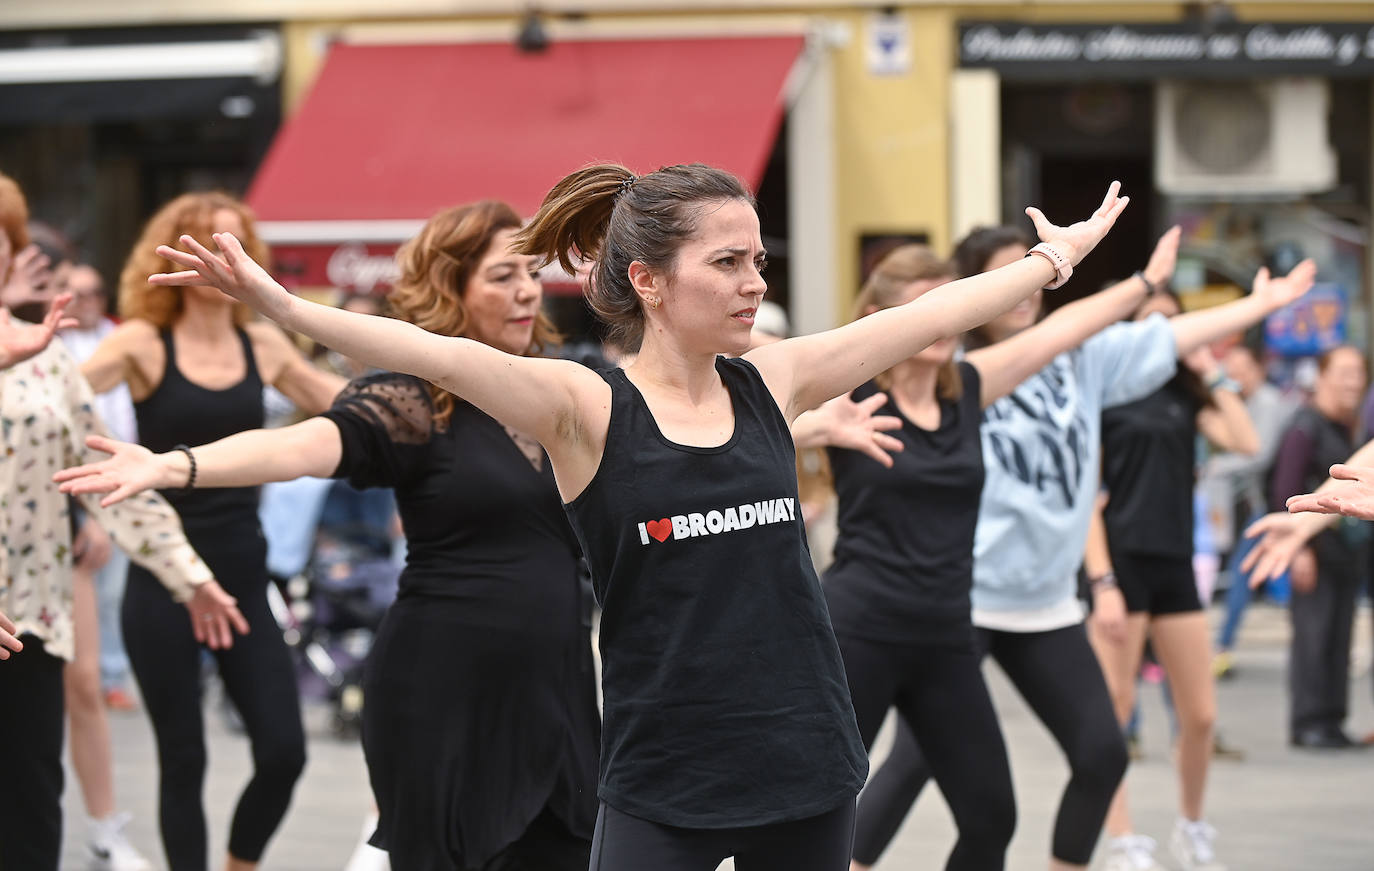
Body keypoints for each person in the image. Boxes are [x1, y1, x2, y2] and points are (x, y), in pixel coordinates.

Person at [125, 164, 1132, 870]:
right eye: (728, 263)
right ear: (648, 281)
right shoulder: (582, 406)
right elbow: (433, 356)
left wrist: (1054, 264)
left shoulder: (769, 378)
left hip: (807, 751)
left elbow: (924, 317)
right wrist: (287, 310)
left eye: (757, 259)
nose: (755, 283)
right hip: (663, 769)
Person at [846, 228, 1315, 871]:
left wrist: (1254, 304)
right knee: (912, 766)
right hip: (963, 598)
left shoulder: (1045, 365)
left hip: (1043, 600)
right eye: (1011, 277)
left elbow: (1156, 337)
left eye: (1037, 277)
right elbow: (783, 375)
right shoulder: (948, 372)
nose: (1028, 291)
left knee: (1097, 755)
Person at [825, 228, 1184, 871]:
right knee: (819, 812)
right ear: (879, 321)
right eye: (926, 310)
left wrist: (1143, 284)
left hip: (945, 634)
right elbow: (751, 390)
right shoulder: (848, 393)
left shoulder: (968, 389)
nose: (945, 324)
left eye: (953, 308)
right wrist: (811, 427)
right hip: (862, 628)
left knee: (992, 817)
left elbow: (1060, 332)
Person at [75, 191, 343, 871]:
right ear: (176, 254)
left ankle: (238, 864)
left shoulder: (263, 340)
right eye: (214, 243)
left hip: (244, 573)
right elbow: (53, 400)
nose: (229, 259)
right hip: (163, 575)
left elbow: (345, 408)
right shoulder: (141, 340)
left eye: (239, 245)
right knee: (183, 757)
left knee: (284, 750)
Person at [0, 171, 244, 871]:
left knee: (27, 808)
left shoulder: (43, 354)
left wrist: (187, 574)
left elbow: (113, 474)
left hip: (30, 616)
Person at [1088, 289, 1259, 871]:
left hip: (1174, 560)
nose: (1161, 330)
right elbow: (1087, 494)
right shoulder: (1107, 394)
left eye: (1171, 321)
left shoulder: (1187, 396)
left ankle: (1191, 823)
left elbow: (1246, 440)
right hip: (1121, 562)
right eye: (1149, 321)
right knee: (1114, 707)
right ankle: (1122, 838)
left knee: (1201, 714)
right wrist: (1101, 579)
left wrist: (1211, 371)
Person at [1265, 346, 1368, 749]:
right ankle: (1308, 721)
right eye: (1343, 372)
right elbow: (1284, 489)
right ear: (1321, 377)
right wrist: (1299, 546)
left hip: (1346, 555)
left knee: (1339, 638)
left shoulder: (1348, 427)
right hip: (1316, 553)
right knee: (1313, 636)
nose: (1353, 381)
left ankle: (1331, 720)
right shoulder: (1304, 427)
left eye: (1359, 373)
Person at [1205, 344, 1299, 675]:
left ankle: (1223, 646)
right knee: (1258, 571)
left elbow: (1259, 453)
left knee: (1245, 570)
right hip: (1266, 503)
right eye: (1231, 371)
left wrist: (1215, 466)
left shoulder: (1268, 402)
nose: (1236, 377)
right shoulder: (1247, 402)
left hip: (1281, 504)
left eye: (1242, 369)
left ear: (1258, 369)